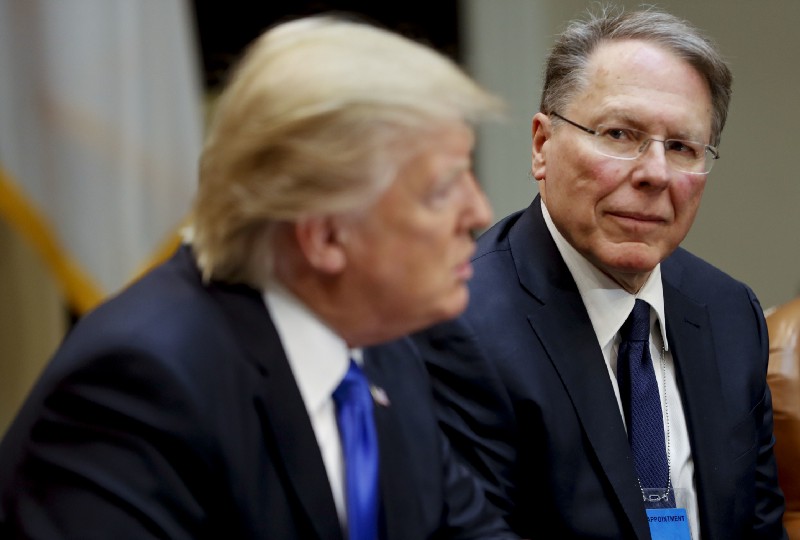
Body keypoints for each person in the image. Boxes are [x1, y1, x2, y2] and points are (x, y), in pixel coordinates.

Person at [0, 15, 514, 539]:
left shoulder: (383, 346)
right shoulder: (140, 386)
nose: (479, 212)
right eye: (442, 190)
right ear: (325, 237)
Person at [412, 6, 787, 540]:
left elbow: (759, 526)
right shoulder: (456, 323)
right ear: (542, 146)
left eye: (682, 147)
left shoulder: (728, 312)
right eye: (619, 134)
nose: (655, 173)